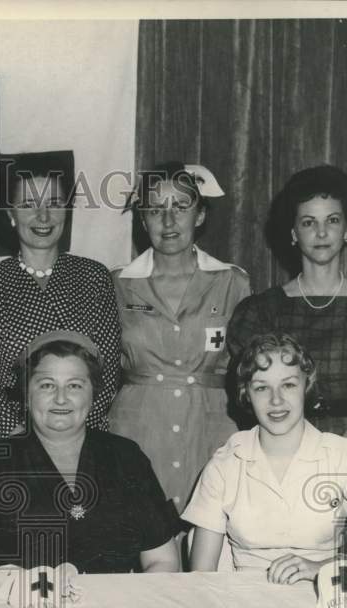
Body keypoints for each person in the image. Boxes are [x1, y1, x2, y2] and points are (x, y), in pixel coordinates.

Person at [0, 331, 181, 574]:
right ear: (26, 394)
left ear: (93, 393)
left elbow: (162, 560)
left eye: (75, 386)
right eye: (47, 385)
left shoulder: (127, 458)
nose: (61, 399)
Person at [227, 165, 347, 479]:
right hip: (280, 454)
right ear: (294, 233)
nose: (322, 233)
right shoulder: (260, 312)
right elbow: (258, 397)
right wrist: (296, 465)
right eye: (309, 222)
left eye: (332, 220)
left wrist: (331, 463)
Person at [183, 333, 347, 581]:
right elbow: (201, 580)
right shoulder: (224, 464)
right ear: (246, 394)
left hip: (324, 593)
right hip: (244, 602)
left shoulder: (342, 455)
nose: (276, 400)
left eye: (288, 384)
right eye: (261, 387)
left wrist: (323, 567)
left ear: (306, 385)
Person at [107, 163, 250, 512]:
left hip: (210, 429)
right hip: (138, 430)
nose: (168, 221)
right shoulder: (116, 283)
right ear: (143, 220)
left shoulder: (233, 282)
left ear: (200, 215)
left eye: (181, 208)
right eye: (156, 210)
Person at [0, 160, 122, 441]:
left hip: (84, 435)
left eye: (54, 203)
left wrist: (78, 431)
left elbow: (108, 371)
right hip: (12, 440)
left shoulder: (93, 277)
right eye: (27, 205)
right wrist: (18, 437)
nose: (43, 215)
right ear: (10, 214)